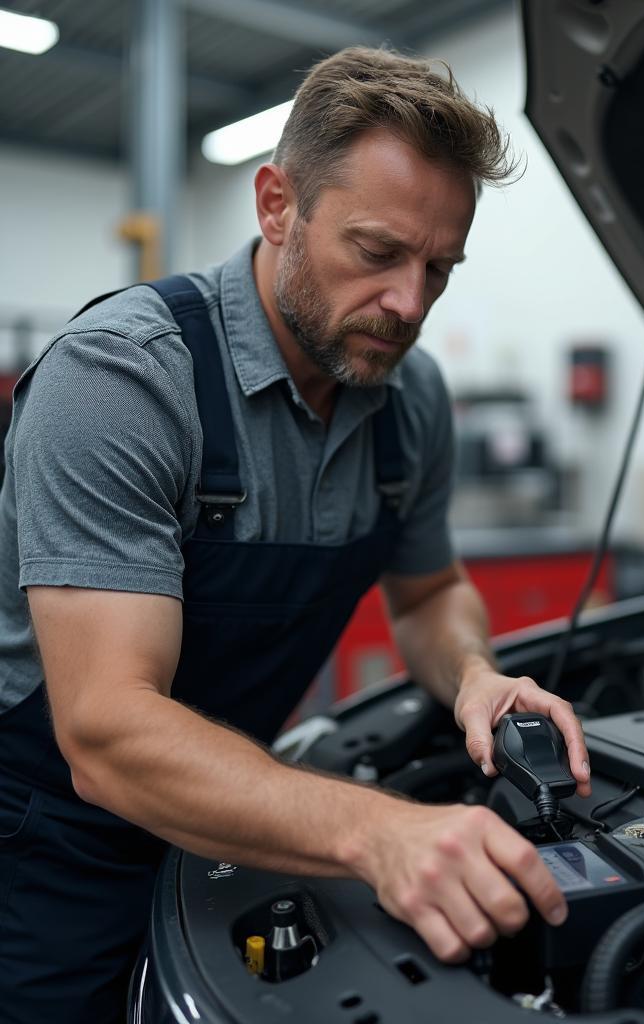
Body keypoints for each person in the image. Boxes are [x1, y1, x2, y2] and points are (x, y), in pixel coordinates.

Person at [0, 47, 591, 1024]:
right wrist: (377, 831)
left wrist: (476, 675)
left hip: (235, 822)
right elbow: (104, 732)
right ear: (277, 204)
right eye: (377, 251)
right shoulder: (123, 381)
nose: (410, 304)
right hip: (54, 848)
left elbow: (430, 592)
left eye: (438, 267)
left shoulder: (411, 403)